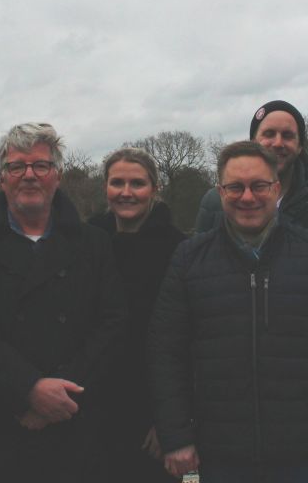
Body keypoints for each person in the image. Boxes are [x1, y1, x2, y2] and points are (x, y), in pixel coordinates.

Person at [150, 141, 308, 483]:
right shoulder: (189, 259)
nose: (248, 197)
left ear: (276, 188)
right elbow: (166, 352)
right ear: (220, 192)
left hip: (306, 452)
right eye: (235, 187)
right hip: (222, 454)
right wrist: (177, 435)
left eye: (259, 186)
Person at [0, 123, 126, 483]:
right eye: (16, 167)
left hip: (76, 424)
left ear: (57, 175)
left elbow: (112, 324)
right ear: (2, 178)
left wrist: (62, 393)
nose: (29, 175)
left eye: (40, 165)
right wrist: (27, 390)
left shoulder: (94, 244)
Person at [88, 148, 186, 482]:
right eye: (117, 183)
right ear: (105, 187)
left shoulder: (179, 249)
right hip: (95, 407)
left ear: (155, 188)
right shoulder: (88, 242)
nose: (126, 192)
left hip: (152, 411)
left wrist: (170, 421)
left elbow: (185, 339)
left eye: (137, 183)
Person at [194, 100, 308, 233]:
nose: (278, 143)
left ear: (300, 146)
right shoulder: (215, 201)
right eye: (269, 134)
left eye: (287, 135)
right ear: (253, 142)